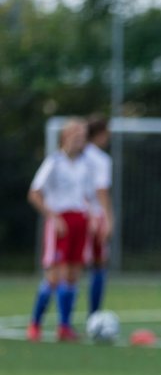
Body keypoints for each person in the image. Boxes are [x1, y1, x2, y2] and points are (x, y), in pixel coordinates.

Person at [27, 118, 94, 342]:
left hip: (80, 221)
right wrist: (52, 217)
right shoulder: (54, 162)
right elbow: (35, 193)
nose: (81, 138)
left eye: (83, 134)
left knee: (73, 275)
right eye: (77, 134)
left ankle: (64, 326)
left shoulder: (86, 164)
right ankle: (35, 323)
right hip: (61, 222)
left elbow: (88, 195)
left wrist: (92, 216)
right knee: (55, 276)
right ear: (66, 136)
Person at [82, 114, 114, 317]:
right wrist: (109, 218)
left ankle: (64, 320)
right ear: (100, 134)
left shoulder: (78, 155)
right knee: (99, 264)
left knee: (69, 268)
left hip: (74, 213)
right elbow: (101, 190)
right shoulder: (101, 160)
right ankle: (94, 315)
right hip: (94, 214)